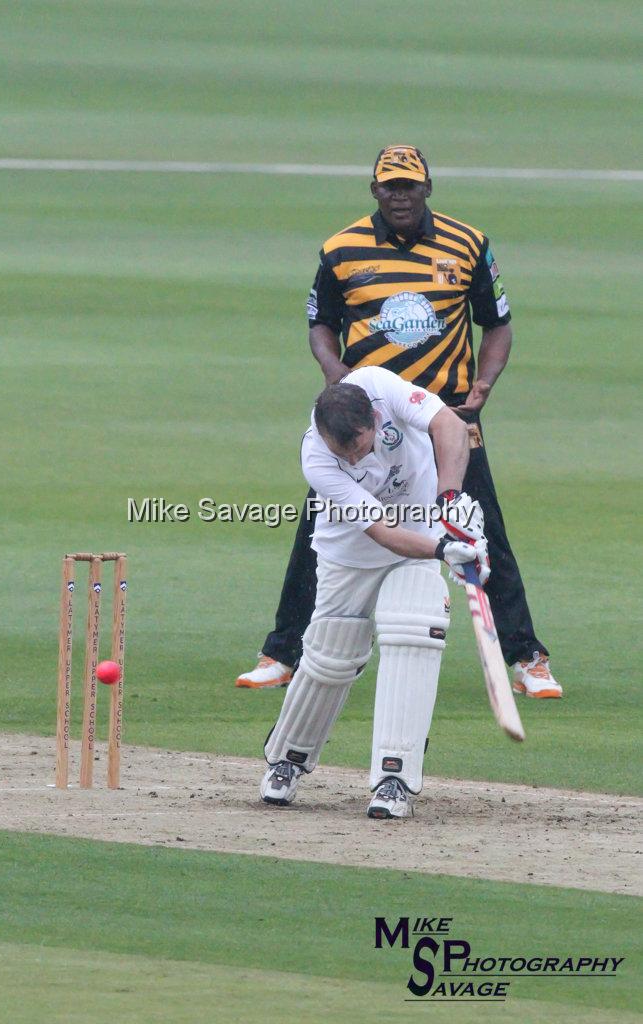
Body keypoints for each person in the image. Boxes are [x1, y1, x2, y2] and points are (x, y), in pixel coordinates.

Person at [237, 144, 561, 699]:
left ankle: (528, 659)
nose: (401, 195)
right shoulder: (343, 250)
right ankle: (282, 652)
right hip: (367, 421)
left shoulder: (468, 244)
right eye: (390, 186)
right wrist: (337, 376)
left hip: (445, 419)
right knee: (317, 533)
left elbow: (497, 324)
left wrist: (484, 385)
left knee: (485, 535)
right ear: (375, 191)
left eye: (410, 185)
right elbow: (321, 323)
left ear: (427, 188)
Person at [260, 367, 489, 818]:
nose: (358, 457)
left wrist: (449, 500)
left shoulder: (381, 387)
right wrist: (446, 548)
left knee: (415, 636)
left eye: (363, 444)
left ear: (375, 416)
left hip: (420, 533)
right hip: (351, 554)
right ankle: (287, 760)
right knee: (331, 657)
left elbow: (448, 424)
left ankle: (394, 779)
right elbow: (381, 530)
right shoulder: (318, 460)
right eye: (345, 451)